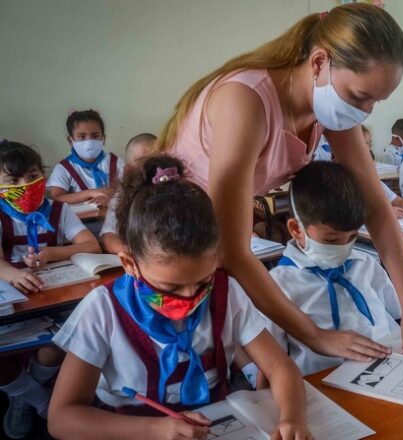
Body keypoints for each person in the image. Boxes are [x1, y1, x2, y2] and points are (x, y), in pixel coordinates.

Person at [154, 4, 403, 363]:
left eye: (377, 100)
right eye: (360, 96)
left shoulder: (330, 105)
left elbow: (375, 206)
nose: (367, 111)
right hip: (172, 246)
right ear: (319, 63)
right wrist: (316, 337)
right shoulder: (245, 100)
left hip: (212, 241)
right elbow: (232, 252)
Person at [48, 155, 312, 440]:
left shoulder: (227, 292)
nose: (190, 297)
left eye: (203, 281)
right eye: (171, 288)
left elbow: (279, 366)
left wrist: (292, 418)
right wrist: (155, 429)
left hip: (219, 424)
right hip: (127, 430)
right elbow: (62, 418)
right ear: (129, 264)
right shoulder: (103, 309)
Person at [0, 140, 100, 439]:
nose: (25, 185)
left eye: (31, 176)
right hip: (12, 300)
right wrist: (12, 273)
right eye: (12, 181)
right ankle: (38, 401)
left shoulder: (57, 210)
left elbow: (91, 244)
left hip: (51, 295)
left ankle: (30, 391)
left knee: (61, 343)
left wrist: (52, 254)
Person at [266, 162, 403, 374]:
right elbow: (270, 359)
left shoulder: (365, 263)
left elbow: (395, 315)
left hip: (389, 369)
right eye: (331, 240)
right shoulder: (278, 284)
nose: (343, 248)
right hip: (322, 382)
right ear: (296, 229)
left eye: (352, 238)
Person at [48, 109, 124, 207]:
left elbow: (130, 189)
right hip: (79, 220)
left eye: (95, 136)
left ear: (103, 138)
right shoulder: (63, 168)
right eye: (82, 136)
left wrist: (111, 194)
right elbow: (57, 198)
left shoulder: (115, 162)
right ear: (70, 141)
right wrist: (91, 193)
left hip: (113, 217)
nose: (89, 141)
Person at [100, 133, 156, 254]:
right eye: (142, 162)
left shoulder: (176, 191)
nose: (151, 168)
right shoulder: (123, 196)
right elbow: (108, 237)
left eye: (156, 160)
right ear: (128, 169)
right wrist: (140, 256)